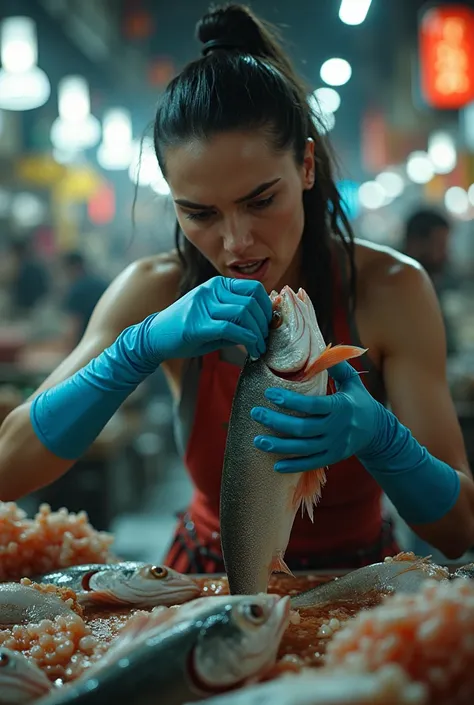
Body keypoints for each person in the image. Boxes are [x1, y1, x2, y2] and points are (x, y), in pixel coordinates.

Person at [0, 4, 472, 574]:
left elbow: (456, 530)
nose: (235, 242)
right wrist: (136, 347)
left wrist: (384, 438)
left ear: (304, 165)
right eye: (199, 213)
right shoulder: (157, 290)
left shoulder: (389, 289)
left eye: (260, 200)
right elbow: (9, 467)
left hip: (357, 588)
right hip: (209, 588)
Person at [402, 209, 457, 355]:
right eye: (440, 246)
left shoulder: (432, 282)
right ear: (416, 244)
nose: (445, 254)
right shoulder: (398, 289)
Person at [59, 251, 109, 350]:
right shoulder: (100, 283)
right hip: (108, 343)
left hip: (87, 346)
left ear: (72, 268)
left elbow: (73, 329)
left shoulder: (77, 290)